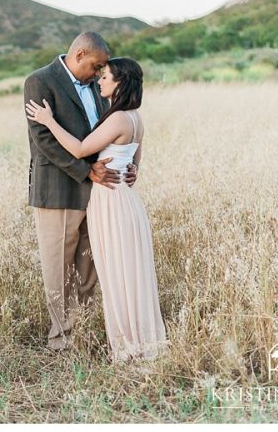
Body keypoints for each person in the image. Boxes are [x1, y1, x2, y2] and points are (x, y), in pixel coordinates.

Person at [26, 57, 168, 362]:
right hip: (124, 198)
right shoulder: (134, 117)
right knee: (128, 271)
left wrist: (49, 120)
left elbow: (79, 149)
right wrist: (132, 170)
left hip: (110, 201)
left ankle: (128, 345)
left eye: (106, 77)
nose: (99, 80)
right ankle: (138, 339)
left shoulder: (116, 118)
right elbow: (134, 157)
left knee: (116, 272)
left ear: (119, 83)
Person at [23, 32, 137, 351]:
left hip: (99, 192)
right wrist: (86, 171)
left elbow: (106, 136)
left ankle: (81, 329)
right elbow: (42, 141)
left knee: (89, 263)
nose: (99, 73)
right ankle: (61, 338)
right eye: (96, 65)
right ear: (79, 55)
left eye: (103, 69)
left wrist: (123, 166)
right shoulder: (39, 81)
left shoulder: (99, 89)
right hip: (59, 189)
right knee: (58, 266)